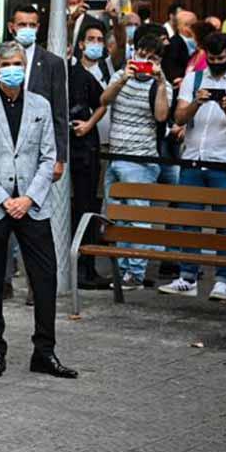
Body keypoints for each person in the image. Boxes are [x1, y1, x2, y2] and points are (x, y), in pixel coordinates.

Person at [0, 41, 76, 380]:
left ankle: (45, 350)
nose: (13, 68)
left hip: (33, 205)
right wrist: (3, 198)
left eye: (19, 63)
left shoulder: (40, 105)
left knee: (45, 278)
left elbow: (48, 157)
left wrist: (28, 198)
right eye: (7, 63)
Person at [159, 32, 226, 300]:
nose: (216, 63)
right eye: (211, 59)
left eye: (220, 59)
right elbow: (178, 115)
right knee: (190, 222)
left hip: (225, 162)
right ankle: (188, 277)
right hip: (193, 160)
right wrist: (197, 103)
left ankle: (223, 280)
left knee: (225, 225)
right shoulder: (193, 79)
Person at [97, 34, 170, 291]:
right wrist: (124, 78)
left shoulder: (162, 85)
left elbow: (161, 116)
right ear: (135, 53)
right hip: (116, 157)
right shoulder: (120, 75)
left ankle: (135, 273)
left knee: (138, 218)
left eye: (153, 59)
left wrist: (160, 82)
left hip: (141, 161)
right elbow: (104, 100)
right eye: (143, 56)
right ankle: (123, 271)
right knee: (117, 218)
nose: (146, 63)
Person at [0, 5, 68, 181]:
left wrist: (59, 158)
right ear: (11, 27)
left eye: (32, 25)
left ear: (38, 27)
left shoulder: (53, 63)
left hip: (37, 150)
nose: (27, 29)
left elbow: (59, 113)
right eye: (22, 24)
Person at [67, 23, 114, 290]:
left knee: (88, 206)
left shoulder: (103, 71)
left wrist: (88, 125)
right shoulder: (65, 72)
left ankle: (86, 268)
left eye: (99, 39)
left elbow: (102, 102)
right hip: (66, 150)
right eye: (90, 39)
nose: (95, 44)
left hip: (89, 151)